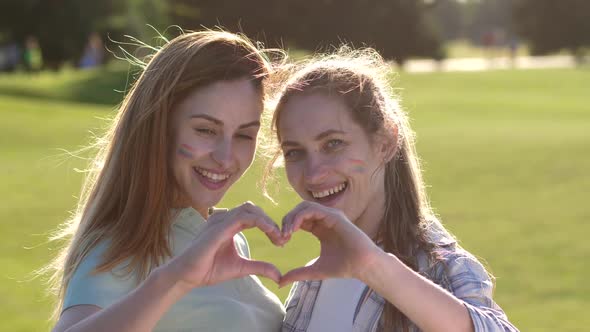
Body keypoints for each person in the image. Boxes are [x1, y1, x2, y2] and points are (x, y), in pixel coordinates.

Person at [47, 30, 287, 332]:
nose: (226, 158)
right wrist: (177, 278)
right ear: (160, 127)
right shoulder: (121, 248)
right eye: (205, 130)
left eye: (243, 135)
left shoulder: (226, 239)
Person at [267, 48, 519, 331]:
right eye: (294, 152)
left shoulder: (440, 269)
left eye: (333, 144)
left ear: (385, 142)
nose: (314, 173)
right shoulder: (310, 283)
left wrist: (374, 268)